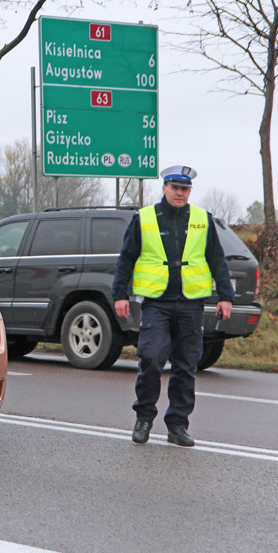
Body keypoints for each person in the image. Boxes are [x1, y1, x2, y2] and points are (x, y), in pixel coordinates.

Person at [112, 165, 234, 447]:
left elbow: (217, 259)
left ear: (190, 191)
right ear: (164, 188)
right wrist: (120, 294)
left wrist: (225, 296)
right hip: (157, 303)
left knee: (186, 366)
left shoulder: (203, 219)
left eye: (185, 189)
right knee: (151, 359)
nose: (180, 193)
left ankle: (177, 425)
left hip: (192, 304)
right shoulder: (144, 218)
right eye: (175, 187)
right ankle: (143, 418)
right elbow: (126, 258)